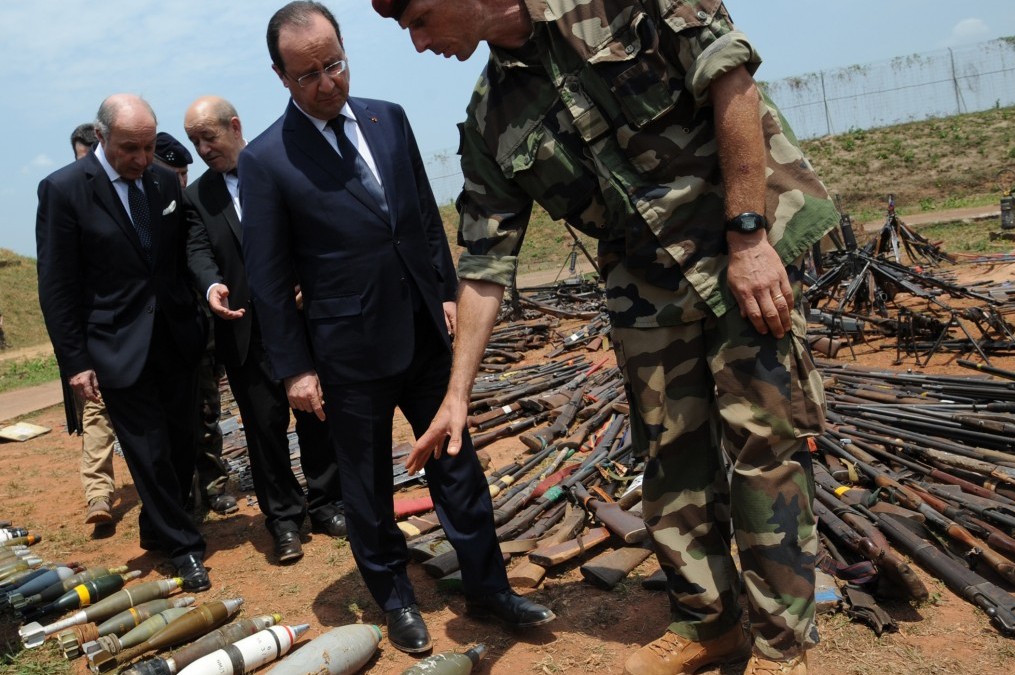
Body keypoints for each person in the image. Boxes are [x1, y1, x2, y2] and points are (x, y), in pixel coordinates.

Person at [375, 1, 836, 673]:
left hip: (739, 242)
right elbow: (481, 265)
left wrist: (748, 236)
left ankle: (781, 644)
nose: (417, 45)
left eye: (417, 19)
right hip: (644, 284)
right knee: (669, 456)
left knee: (764, 443)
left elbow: (730, 80)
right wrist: (455, 393)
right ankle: (708, 622)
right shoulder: (492, 117)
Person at [238, 1, 554, 654]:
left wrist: (445, 293)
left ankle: (488, 587)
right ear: (281, 77)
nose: (328, 83)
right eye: (309, 75)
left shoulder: (388, 119)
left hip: (422, 328)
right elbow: (268, 278)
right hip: (346, 349)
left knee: (457, 462)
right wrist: (295, 367)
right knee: (366, 483)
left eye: (335, 64)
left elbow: (418, 220)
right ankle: (395, 596)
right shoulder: (267, 159)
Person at [37, 94, 212, 593]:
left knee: (182, 443)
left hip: (176, 337)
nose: (141, 159)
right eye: (130, 148)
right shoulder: (64, 190)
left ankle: (159, 527)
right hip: (115, 345)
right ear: (101, 137)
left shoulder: (160, 180)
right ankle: (185, 547)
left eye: (148, 146)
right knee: (148, 449)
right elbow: (57, 287)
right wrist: (75, 362)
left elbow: (177, 256)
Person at [183, 95, 345, 565]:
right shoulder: (198, 197)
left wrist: (310, 281)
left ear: (234, 126)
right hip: (244, 329)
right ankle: (284, 520)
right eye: (195, 142)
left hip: (301, 320)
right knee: (263, 426)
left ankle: (327, 503)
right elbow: (198, 252)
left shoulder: (281, 164)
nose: (202, 149)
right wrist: (211, 284)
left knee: (317, 413)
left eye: (208, 137)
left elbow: (321, 229)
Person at [153, 131, 242, 521]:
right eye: (175, 173)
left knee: (207, 411)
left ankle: (213, 484)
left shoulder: (189, 209)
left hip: (200, 331)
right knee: (169, 421)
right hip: (161, 336)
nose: (182, 183)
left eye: (185, 174)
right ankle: (181, 496)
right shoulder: (146, 212)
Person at [67, 122, 123, 530]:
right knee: (97, 415)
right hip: (95, 333)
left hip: (135, 327)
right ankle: (98, 494)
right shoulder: (67, 198)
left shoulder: (131, 191)